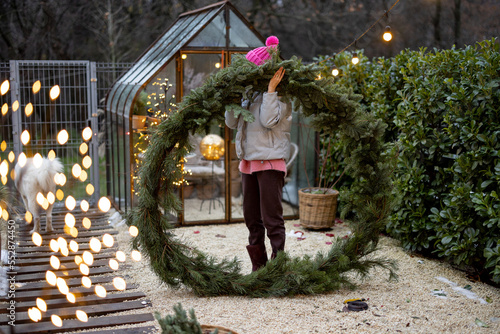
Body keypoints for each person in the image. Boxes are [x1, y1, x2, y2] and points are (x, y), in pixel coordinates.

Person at [225, 36, 293, 271]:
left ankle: (278, 268)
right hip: (249, 162)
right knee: (252, 218)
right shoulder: (248, 94)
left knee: (272, 219)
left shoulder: (281, 97)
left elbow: (268, 120)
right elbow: (232, 123)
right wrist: (232, 98)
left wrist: (271, 91)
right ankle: (259, 268)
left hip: (270, 163)